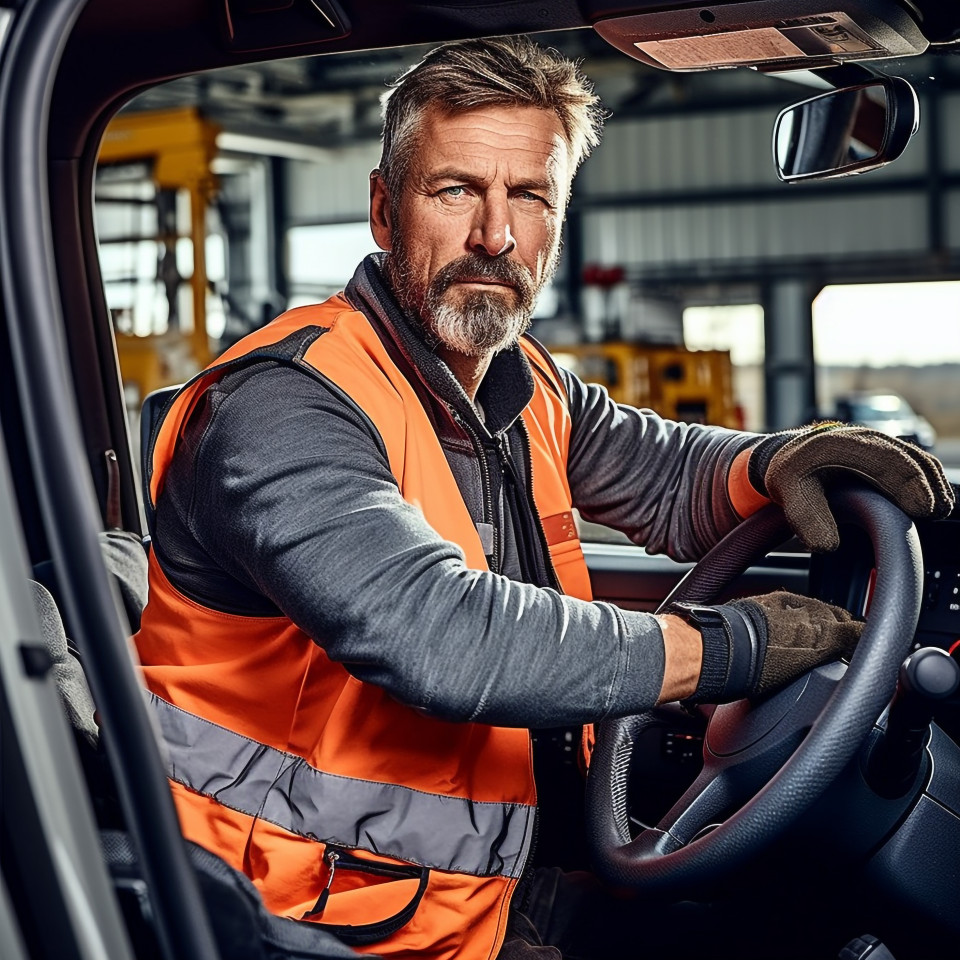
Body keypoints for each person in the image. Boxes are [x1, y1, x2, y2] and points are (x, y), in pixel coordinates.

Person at [134, 37, 955, 960]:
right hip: (298, 917)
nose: (495, 235)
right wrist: (732, 648)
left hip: (495, 888)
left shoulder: (517, 384)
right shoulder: (283, 405)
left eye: (529, 197)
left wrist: (776, 462)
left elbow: (667, 473)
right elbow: (434, 633)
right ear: (382, 209)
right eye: (455, 191)